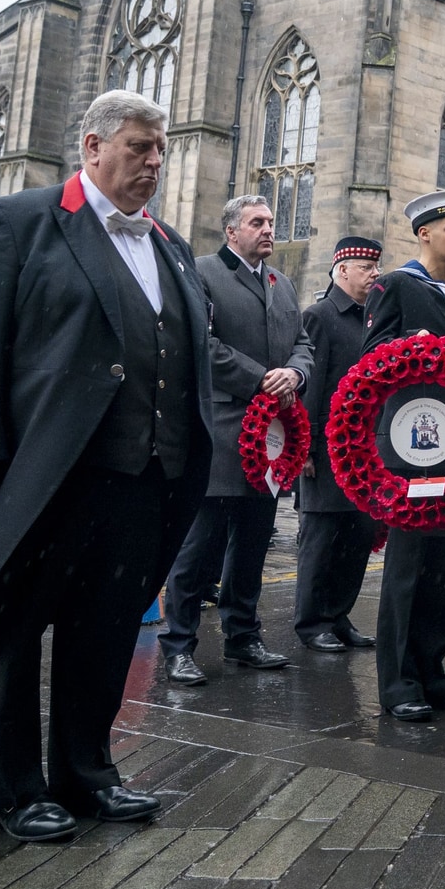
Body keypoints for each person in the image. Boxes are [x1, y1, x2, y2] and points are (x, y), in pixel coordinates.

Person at [0, 90, 214, 841]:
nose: (153, 162)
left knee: (105, 630)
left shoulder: (171, 245)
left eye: (160, 150)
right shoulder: (17, 223)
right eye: (137, 147)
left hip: (139, 480)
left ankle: (88, 774)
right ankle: (15, 787)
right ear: (92, 147)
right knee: (11, 626)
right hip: (41, 477)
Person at [160, 196, 313, 684]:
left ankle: (243, 637)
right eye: (257, 223)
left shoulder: (281, 281)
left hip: (272, 439)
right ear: (231, 231)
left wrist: (294, 373)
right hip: (222, 432)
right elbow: (201, 344)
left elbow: (302, 343)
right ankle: (179, 644)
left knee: (251, 545)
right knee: (199, 548)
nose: (268, 230)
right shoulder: (202, 272)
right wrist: (262, 377)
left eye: (270, 222)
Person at [362, 189, 445, 722]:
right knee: (408, 567)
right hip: (410, 446)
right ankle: (398, 682)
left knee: (443, 566)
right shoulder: (394, 286)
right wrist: (407, 348)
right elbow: (368, 362)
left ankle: (433, 672)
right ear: (424, 234)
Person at [294, 236, 383, 652]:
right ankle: (312, 622)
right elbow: (310, 386)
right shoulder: (320, 315)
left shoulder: (372, 318)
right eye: (366, 267)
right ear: (342, 269)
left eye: (375, 266)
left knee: (357, 536)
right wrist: (306, 446)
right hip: (327, 449)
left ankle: (338, 614)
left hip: (366, 449)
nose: (374, 274)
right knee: (322, 537)